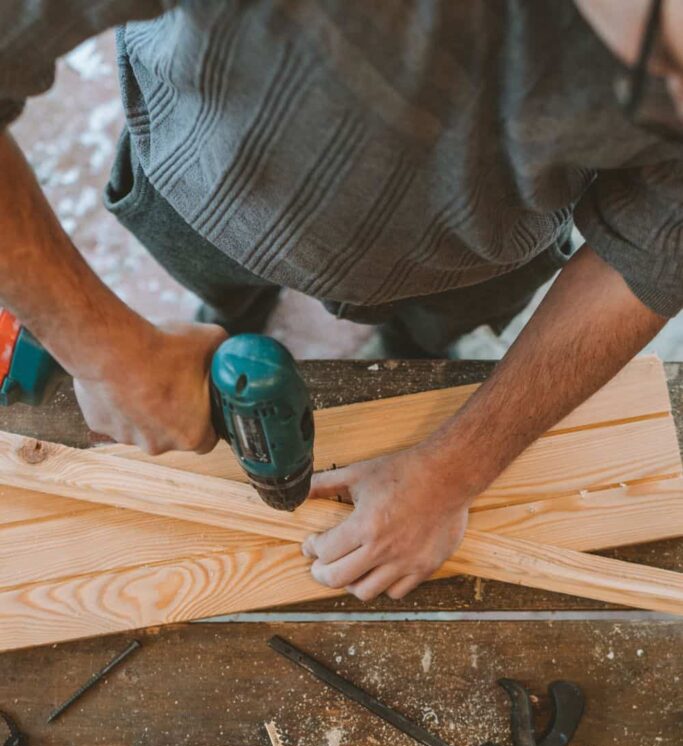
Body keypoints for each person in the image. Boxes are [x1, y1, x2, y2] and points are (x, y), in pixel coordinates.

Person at [0, 0, 682, 601]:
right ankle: (232, 312)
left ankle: (409, 343)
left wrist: (454, 471)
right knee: (221, 287)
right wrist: (104, 354)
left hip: (478, 258)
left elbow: (648, 253)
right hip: (205, 187)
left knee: (426, 339)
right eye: (668, 57)